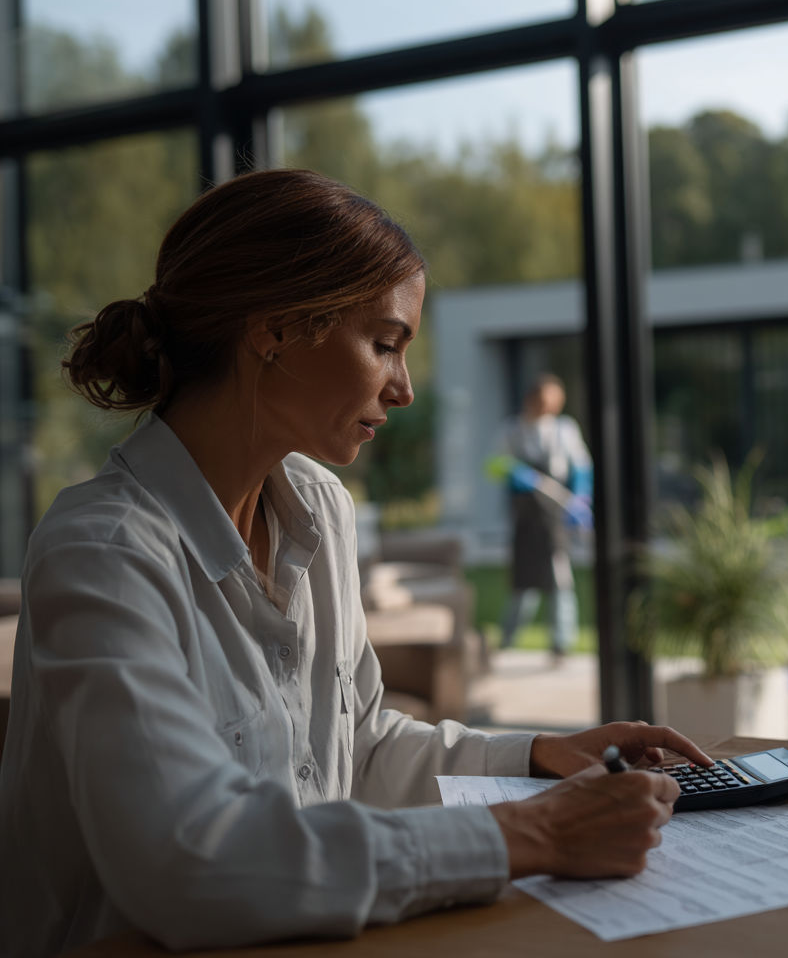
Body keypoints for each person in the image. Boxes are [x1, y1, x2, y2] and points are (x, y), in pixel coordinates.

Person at [0, 169, 709, 958]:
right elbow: (189, 863)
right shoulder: (104, 552)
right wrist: (532, 832)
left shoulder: (319, 507)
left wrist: (539, 756)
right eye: (385, 344)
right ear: (273, 330)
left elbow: (357, 749)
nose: (403, 388)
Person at [492, 374, 592, 662]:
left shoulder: (564, 430)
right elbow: (493, 465)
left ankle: (561, 642)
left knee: (559, 576)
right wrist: (511, 471)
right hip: (525, 517)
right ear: (531, 400)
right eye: (545, 403)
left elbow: (582, 467)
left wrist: (581, 498)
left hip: (555, 516)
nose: (549, 410)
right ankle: (507, 641)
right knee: (524, 580)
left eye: (555, 404)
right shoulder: (511, 430)